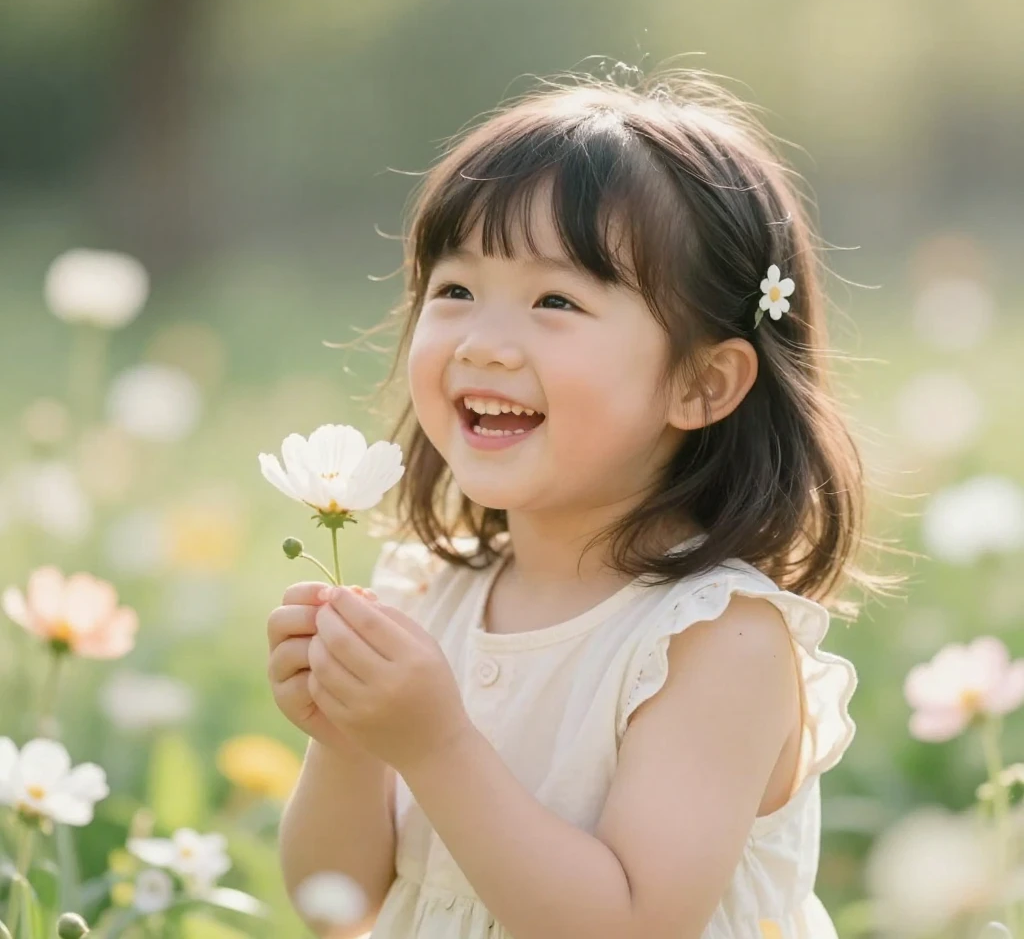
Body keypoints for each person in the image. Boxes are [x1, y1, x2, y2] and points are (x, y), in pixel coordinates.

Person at [268, 68, 866, 939]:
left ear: (702, 382)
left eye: (556, 300)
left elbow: (627, 925)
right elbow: (338, 901)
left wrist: (433, 745)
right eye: (455, 290)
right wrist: (350, 740)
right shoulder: (423, 592)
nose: (484, 343)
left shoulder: (715, 638)